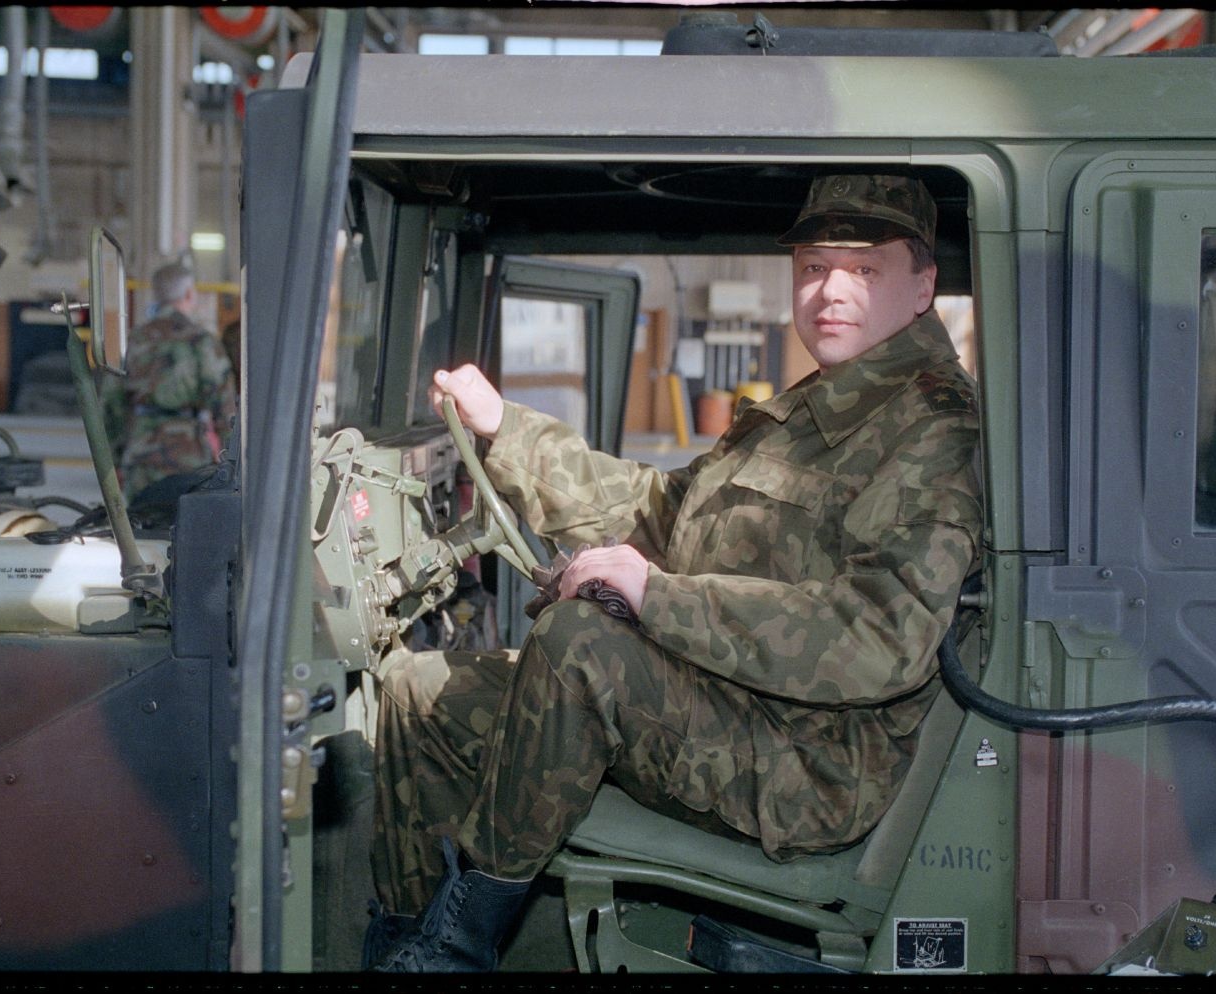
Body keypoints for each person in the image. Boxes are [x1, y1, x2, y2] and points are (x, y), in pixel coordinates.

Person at [367, 174, 984, 972]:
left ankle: (454, 948)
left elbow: (879, 634)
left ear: (923, 284)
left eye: (864, 268)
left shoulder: (928, 427)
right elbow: (663, 512)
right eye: (812, 265)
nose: (830, 290)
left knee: (581, 645)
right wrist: (504, 431)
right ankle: (400, 946)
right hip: (734, 704)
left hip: (808, 761)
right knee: (416, 695)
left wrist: (656, 597)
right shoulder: (825, 405)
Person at [100, 261, 237, 503]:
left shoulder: (134, 340)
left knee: (139, 530)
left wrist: (116, 459)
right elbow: (224, 405)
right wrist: (230, 462)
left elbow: (110, 405)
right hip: (189, 457)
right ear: (188, 294)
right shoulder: (201, 342)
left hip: (141, 455)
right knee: (186, 530)